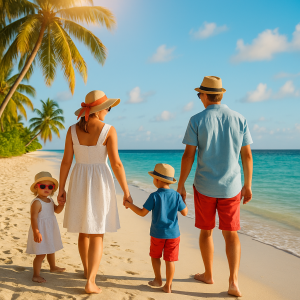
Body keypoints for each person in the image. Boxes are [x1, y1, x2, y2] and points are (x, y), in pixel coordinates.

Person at [177, 76, 253, 297]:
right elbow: (246, 156)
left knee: (206, 232)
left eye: (199, 94)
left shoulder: (196, 119)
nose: (199, 97)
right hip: (231, 187)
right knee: (231, 234)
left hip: (204, 186)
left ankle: (209, 274)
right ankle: (233, 282)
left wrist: (180, 184)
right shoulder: (239, 118)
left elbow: (188, 156)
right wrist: (248, 185)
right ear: (220, 95)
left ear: (204, 95)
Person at [57, 90, 131, 294]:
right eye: (108, 107)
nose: (109, 110)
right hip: (100, 179)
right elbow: (116, 163)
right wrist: (126, 191)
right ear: (99, 110)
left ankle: (87, 270)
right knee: (97, 232)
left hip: (79, 178)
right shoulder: (109, 129)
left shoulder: (72, 129)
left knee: (84, 229)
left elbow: (66, 161)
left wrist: (62, 188)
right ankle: (90, 280)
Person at [125, 163, 188, 293]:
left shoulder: (154, 195)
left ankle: (158, 279)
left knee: (155, 256)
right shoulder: (176, 196)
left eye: (153, 178)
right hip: (173, 234)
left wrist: (130, 205)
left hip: (157, 234)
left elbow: (142, 213)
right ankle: (168, 285)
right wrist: (183, 201)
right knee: (170, 260)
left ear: (157, 180)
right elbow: (185, 212)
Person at [26, 171, 65, 283]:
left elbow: (56, 211)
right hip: (41, 230)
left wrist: (61, 204)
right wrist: (36, 232)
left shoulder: (50, 200)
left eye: (50, 186)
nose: (46, 189)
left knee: (51, 249)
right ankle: (36, 275)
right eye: (43, 186)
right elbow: (33, 218)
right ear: (36, 188)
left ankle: (53, 267)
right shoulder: (37, 202)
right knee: (41, 253)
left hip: (50, 229)